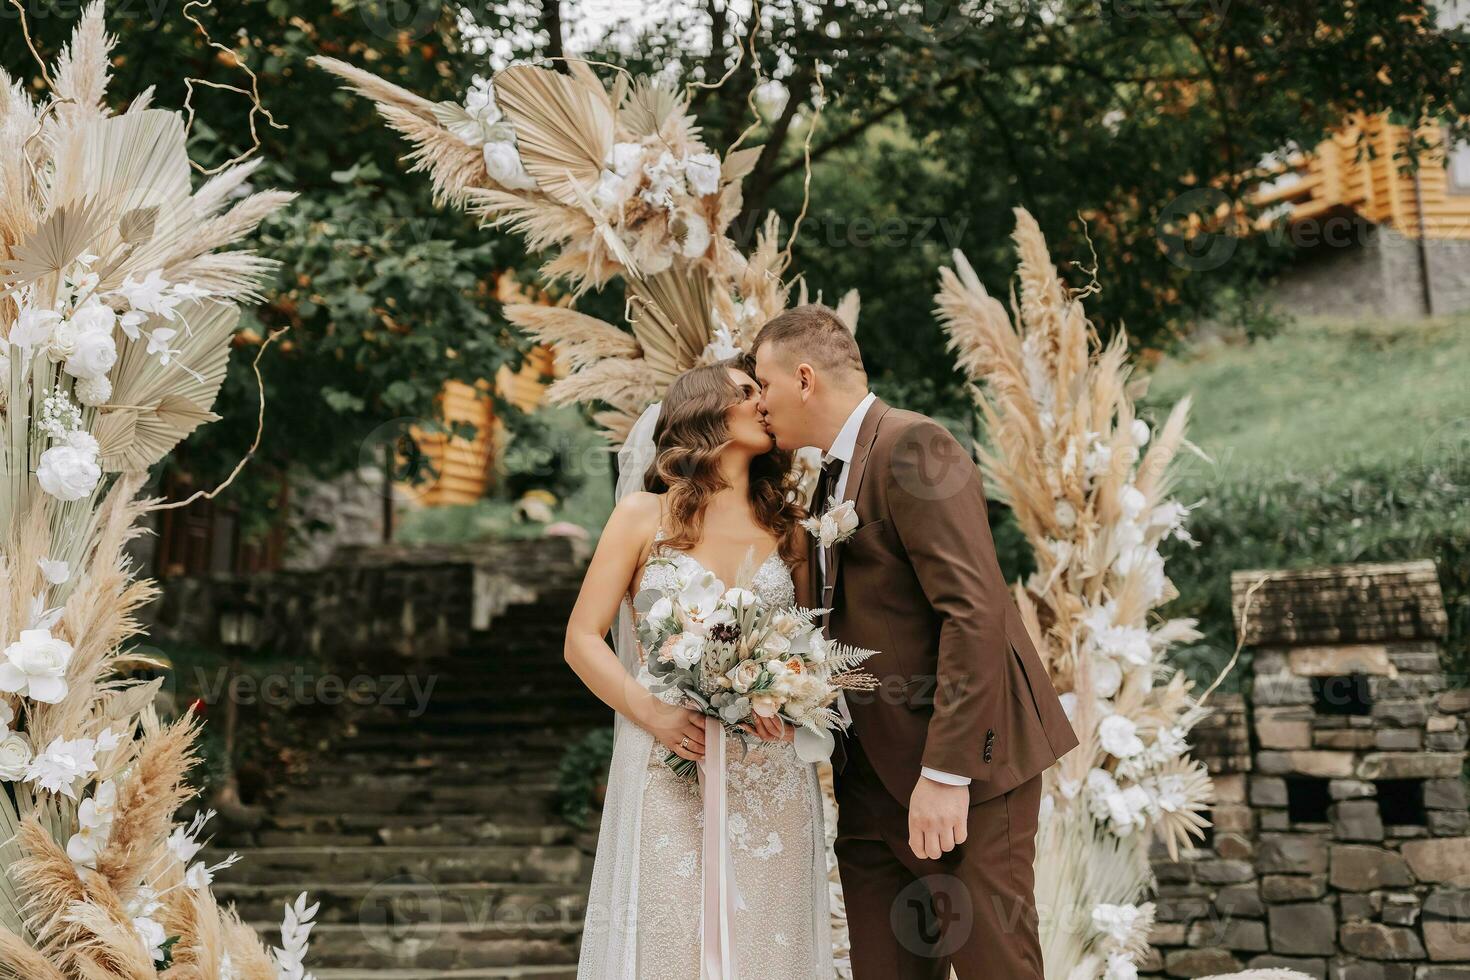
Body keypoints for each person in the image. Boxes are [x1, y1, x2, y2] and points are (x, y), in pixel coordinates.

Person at [751, 303, 1080, 980]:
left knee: (995, 965)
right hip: (867, 781)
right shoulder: (826, 480)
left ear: (805, 378)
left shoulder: (914, 446)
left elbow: (976, 612)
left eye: (765, 384)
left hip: (961, 778)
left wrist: (945, 774)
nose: (760, 403)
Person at [565, 360, 833, 979]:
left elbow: (808, 644)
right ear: (706, 410)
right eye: (746, 393)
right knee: (669, 935)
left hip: (769, 771)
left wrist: (786, 699)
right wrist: (651, 712)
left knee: (770, 939)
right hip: (667, 760)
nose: (762, 403)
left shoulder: (787, 530)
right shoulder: (640, 515)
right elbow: (582, 638)